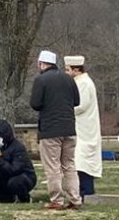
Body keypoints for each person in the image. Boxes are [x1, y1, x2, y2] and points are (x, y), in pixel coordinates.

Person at [30, 50, 81, 210]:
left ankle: (56, 199)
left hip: (50, 129)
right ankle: (75, 199)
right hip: (69, 128)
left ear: (41, 63)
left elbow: (35, 104)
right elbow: (77, 101)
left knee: (52, 166)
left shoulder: (40, 80)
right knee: (69, 165)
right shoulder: (68, 78)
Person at [64, 55, 102, 201]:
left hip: (85, 129)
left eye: (68, 70)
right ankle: (79, 190)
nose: (66, 72)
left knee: (82, 161)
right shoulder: (79, 82)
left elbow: (81, 105)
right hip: (80, 126)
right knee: (78, 160)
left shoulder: (84, 83)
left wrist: (65, 108)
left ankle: (86, 190)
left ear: (76, 70)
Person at [0, 120, 37, 202]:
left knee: (15, 182)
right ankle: (5, 198)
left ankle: (24, 198)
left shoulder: (18, 147)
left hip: (23, 176)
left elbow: (15, 169)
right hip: (3, 175)